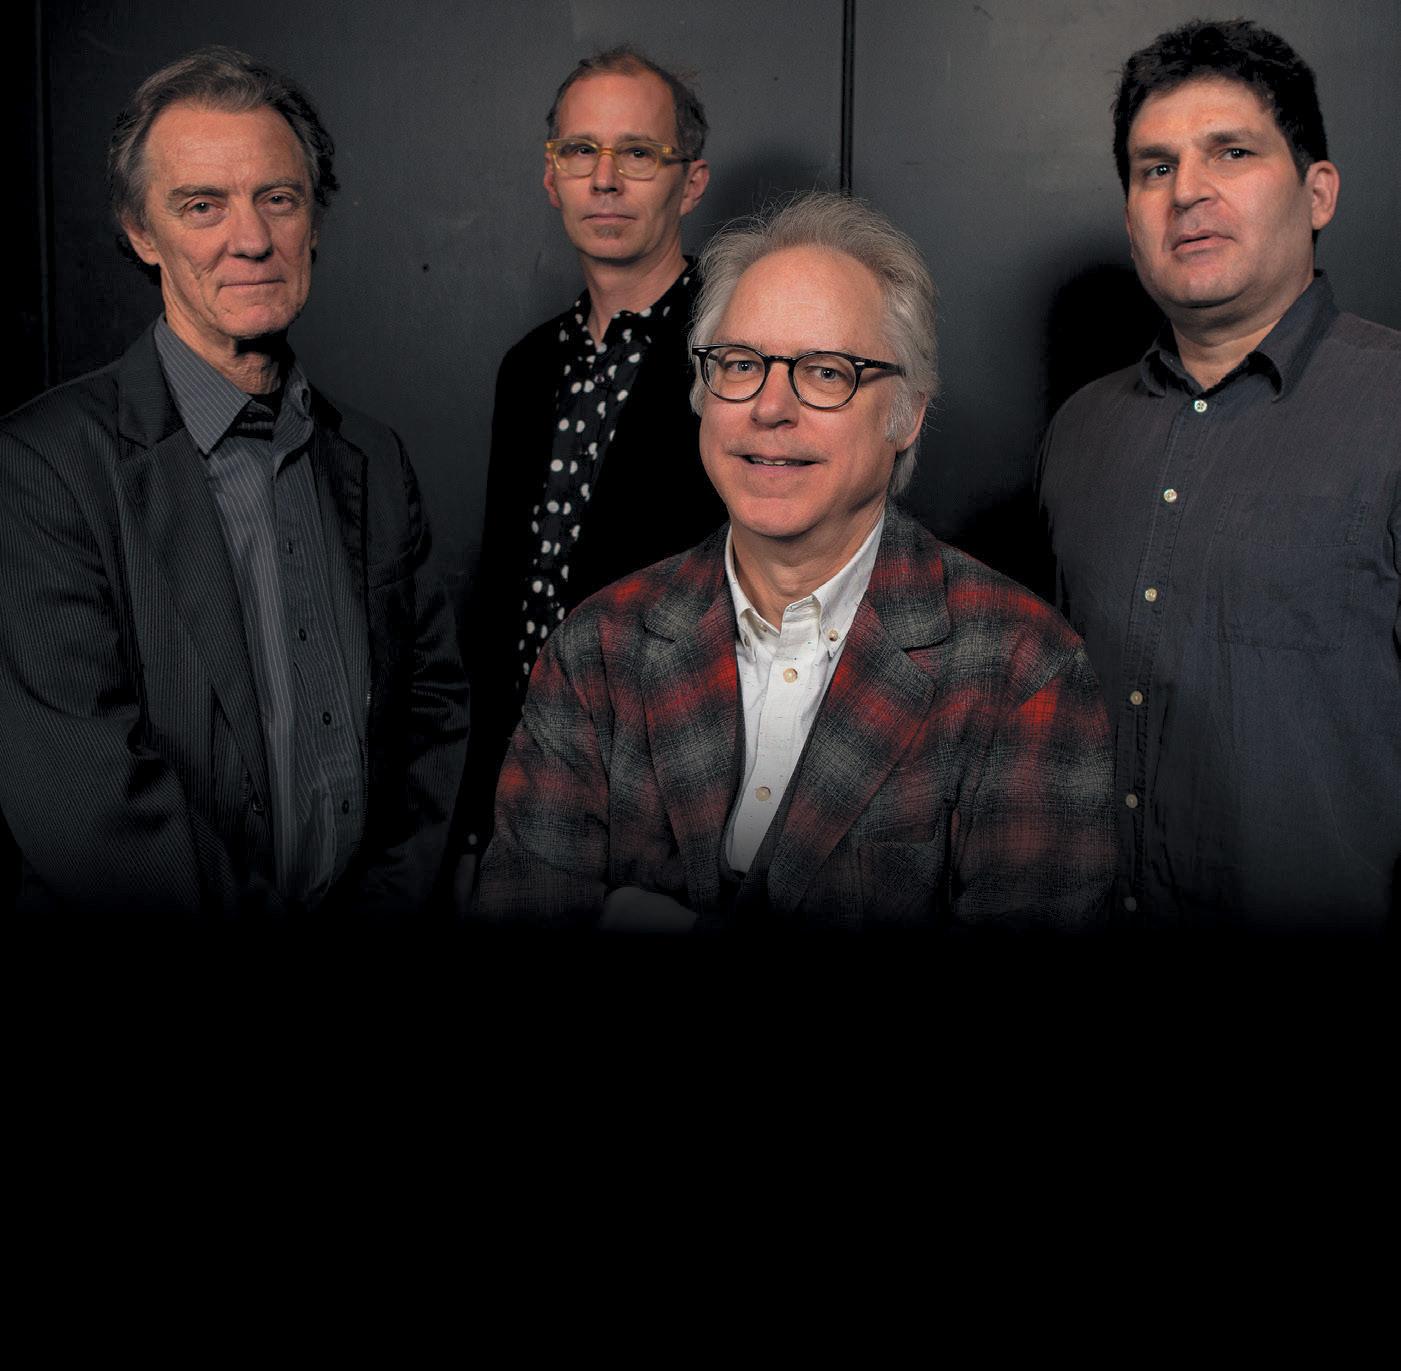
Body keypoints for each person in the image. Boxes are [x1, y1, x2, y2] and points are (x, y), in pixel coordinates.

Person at [477, 193, 1114, 931]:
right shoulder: (595, 649)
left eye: (825, 373)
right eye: (740, 364)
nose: (769, 408)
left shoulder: (1023, 669)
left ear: (906, 414)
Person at [0, 46, 468, 915]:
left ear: (313, 221)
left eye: (278, 199)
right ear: (142, 233)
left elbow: (432, 722)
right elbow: (88, 810)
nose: (251, 239)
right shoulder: (44, 468)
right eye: (202, 205)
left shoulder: (375, 458)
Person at [1038, 18, 1401, 934]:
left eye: (1231, 152)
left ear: (1317, 193)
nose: (1186, 192)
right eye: (1153, 168)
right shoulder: (1078, 433)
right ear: (1130, 216)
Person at [463, 46, 723, 861]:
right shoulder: (526, 367)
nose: (603, 180)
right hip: (525, 783)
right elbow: (504, 598)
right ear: (552, 178)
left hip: (674, 798)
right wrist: (474, 815)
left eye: (637, 153)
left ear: (690, 182)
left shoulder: (737, 360)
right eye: (580, 151)